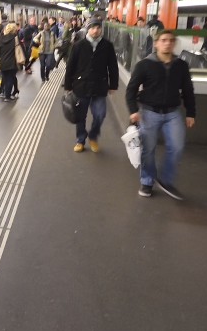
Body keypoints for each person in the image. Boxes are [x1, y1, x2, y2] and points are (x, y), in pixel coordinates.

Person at [125, 29, 196, 200]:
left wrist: (191, 113)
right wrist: (133, 110)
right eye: (163, 40)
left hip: (172, 113)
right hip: (149, 112)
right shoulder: (144, 65)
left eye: (171, 40)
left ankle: (165, 180)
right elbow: (131, 89)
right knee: (147, 150)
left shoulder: (181, 65)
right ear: (156, 43)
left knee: (177, 147)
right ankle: (147, 181)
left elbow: (188, 90)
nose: (167, 43)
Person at [63, 18, 118, 153]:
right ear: (88, 29)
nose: (95, 30)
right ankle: (80, 140)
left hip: (100, 85)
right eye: (92, 27)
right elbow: (70, 67)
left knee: (100, 114)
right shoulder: (78, 45)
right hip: (81, 86)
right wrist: (67, 84)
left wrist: (113, 85)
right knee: (80, 116)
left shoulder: (107, 45)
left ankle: (93, 135)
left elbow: (113, 66)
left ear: (101, 29)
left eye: (98, 28)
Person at [0, 22, 20, 101]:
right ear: (13, 30)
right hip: (12, 61)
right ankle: (7, 96)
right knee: (10, 78)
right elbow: (19, 49)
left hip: (3, 61)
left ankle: (5, 93)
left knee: (5, 78)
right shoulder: (15, 38)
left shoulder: (1, 39)